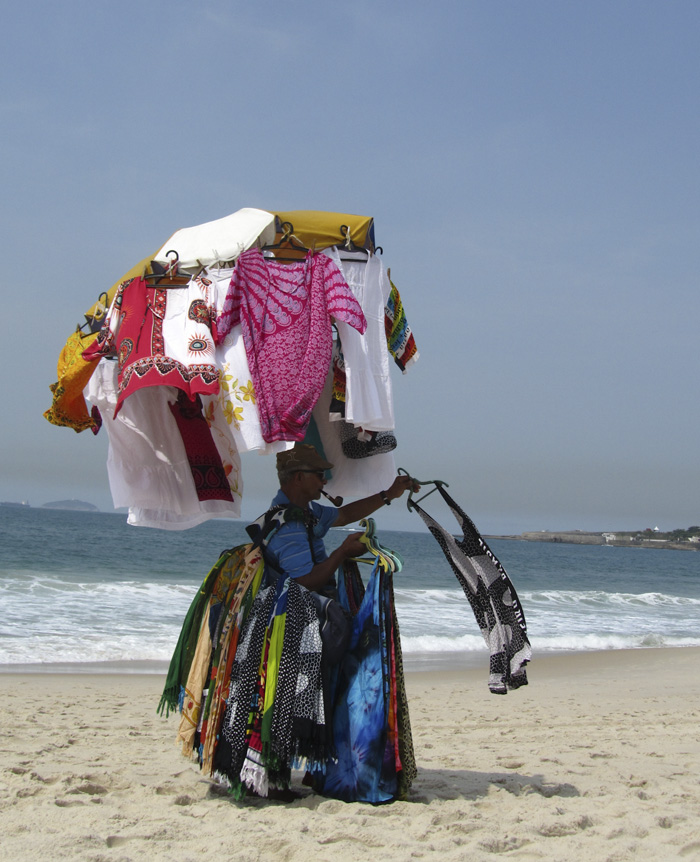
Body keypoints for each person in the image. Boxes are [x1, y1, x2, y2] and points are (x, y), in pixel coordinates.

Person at [259, 444, 418, 596]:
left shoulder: (307, 510)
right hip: (298, 618)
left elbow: (344, 515)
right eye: (319, 474)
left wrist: (389, 494)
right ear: (299, 477)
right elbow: (305, 583)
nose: (325, 481)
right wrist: (343, 552)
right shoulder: (288, 526)